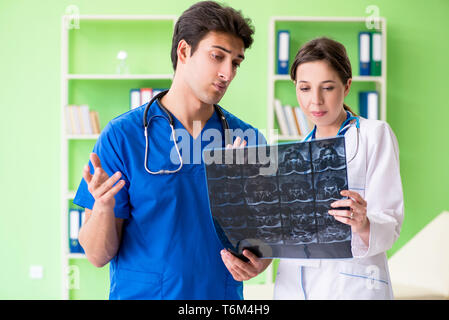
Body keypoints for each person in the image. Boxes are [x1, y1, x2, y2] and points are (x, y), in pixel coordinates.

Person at [73, 1, 268, 300]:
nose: (227, 73)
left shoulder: (248, 140)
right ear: (184, 52)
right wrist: (102, 208)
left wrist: (259, 262)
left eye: (236, 62)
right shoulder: (124, 136)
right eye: (217, 56)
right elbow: (97, 256)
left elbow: (265, 244)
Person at [222, 37, 404, 300]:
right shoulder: (291, 154)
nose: (315, 101)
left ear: (347, 86)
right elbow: (279, 233)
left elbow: (391, 221)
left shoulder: (374, 136)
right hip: (292, 288)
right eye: (305, 88)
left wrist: (363, 223)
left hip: (352, 288)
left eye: (327, 88)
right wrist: (235, 183)